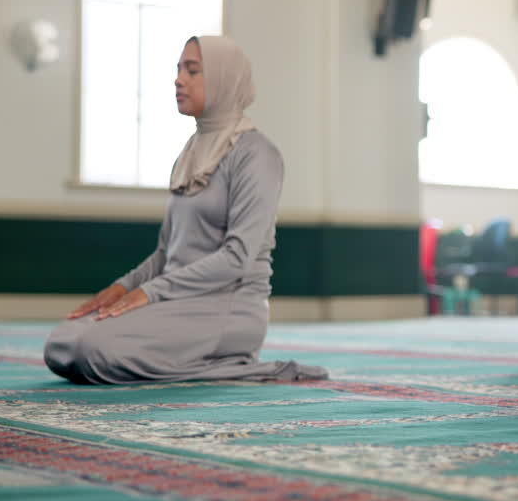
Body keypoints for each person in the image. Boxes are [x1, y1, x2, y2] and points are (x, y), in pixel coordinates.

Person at [44, 36, 327, 384]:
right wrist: (121, 288)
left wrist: (149, 293)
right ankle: (203, 362)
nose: (179, 79)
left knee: (91, 351)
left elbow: (237, 257)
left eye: (192, 71)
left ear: (224, 78)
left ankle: (231, 361)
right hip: (176, 300)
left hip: (227, 307)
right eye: (178, 70)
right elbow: (166, 254)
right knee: (61, 343)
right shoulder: (191, 153)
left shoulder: (257, 155)